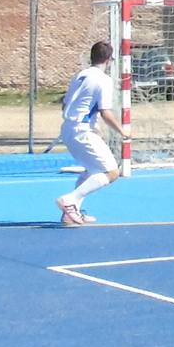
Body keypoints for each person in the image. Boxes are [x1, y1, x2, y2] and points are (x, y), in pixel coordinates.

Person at [54, 41, 130, 227]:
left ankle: (71, 214)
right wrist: (123, 131)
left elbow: (67, 104)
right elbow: (106, 112)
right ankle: (70, 200)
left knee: (93, 170)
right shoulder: (103, 80)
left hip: (70, 129)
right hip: (81, 131)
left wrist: (93, 127)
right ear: (109, 59)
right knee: (111, 172)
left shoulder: (81, 75)